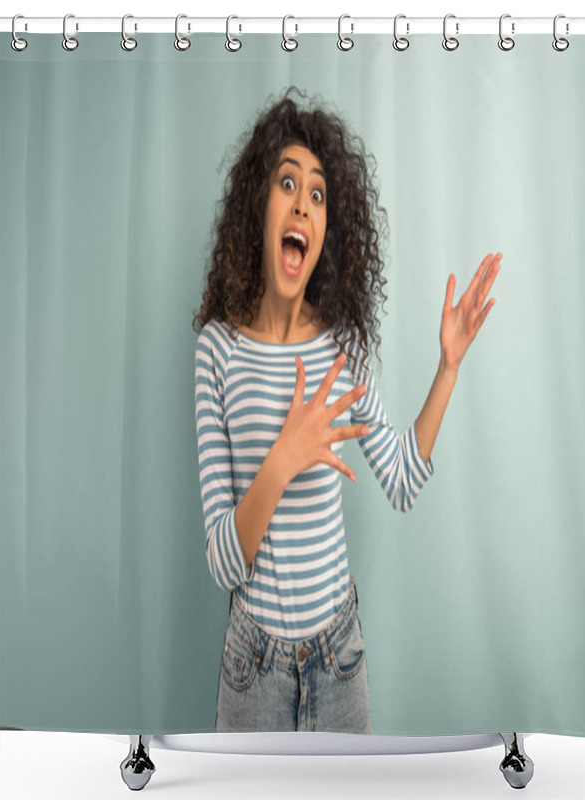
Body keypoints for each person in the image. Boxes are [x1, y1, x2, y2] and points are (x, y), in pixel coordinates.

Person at [192, 85, 501, 734]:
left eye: (318, 193)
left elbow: (404, 481)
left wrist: (448, 366)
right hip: (252, 667)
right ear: (259, 205)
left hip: (339, 659)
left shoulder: (343, 346)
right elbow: (223, 562)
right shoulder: (216, 349)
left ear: (328, 226)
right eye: (286, 182)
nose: (303, 202)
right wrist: (283, 457)